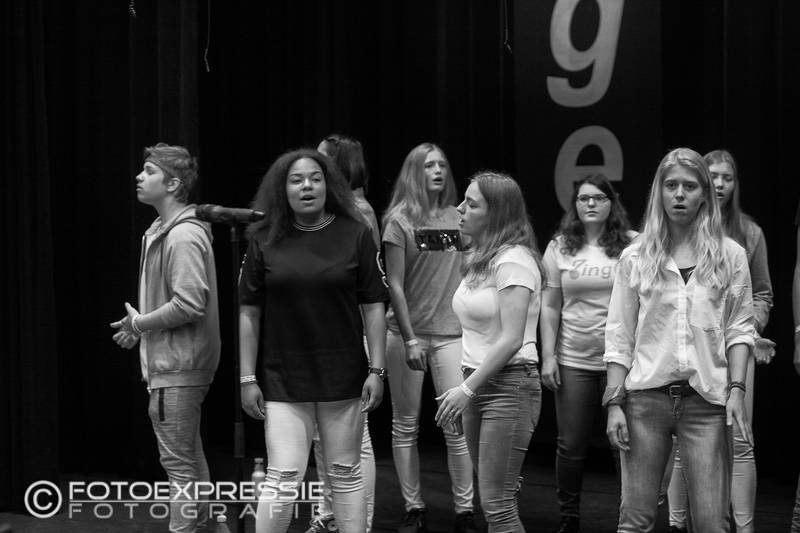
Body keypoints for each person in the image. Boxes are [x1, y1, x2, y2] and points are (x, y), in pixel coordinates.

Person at [604, 147, 755, 532]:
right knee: (635, 518)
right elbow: (619, 335)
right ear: (659, 191)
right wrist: (614, 403)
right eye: (671, 185)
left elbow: (740, 328)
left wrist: (737, 390)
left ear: (705, 194)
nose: (679, 194)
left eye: (689, 186)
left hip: (706, 401)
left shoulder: (730, 255)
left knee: (711, 522)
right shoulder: (636, 256)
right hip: (645, 400)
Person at [238, 148, 388, 533]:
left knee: (345, 472)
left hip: (343, 375)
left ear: (328, 185)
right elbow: (249, 313)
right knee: (283, 478)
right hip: (283, 376)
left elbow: (374, 306)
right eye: (297, 180)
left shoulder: (355, 233)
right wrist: (247, 378)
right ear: (282, 189)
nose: (307, 186)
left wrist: (377, 369)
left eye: (315, 178)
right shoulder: (263, 238)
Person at [111, 143, 220, 533]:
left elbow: (189, 304)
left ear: (173, 184)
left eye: (150, 171)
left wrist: (141, 324)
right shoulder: (162, 231)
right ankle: (209, 528)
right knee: (189, 458)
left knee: (179, 466)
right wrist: (137, 326)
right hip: (176, 364)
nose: (139, 177)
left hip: (178, 366)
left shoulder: (182, 235)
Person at [666, 149, 774, 533]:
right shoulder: (679, 231)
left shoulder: (749, 233)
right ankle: (677, 523)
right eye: (713, 176)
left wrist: (749, 329)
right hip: (690, 347)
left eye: (728, 177)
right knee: (683, 439)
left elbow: (761, 294)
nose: (721, 184)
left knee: (740, 440)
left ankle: (743, 528)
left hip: (737, 349)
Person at [436, 171, 545, 532]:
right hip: (479, 383)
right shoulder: (480, 256)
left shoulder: (513, 260)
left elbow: (512, 339)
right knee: (495, 501)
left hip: (509, 385)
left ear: (495, 213)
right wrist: (468, 387)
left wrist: (466, 391)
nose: (459, 209)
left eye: (471, 204)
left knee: (497, 507)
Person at [381, 143, 478, 533]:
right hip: (407, 334)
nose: (438, 171)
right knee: (405, 424)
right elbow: (395, 284)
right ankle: (414, 507)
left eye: (442, 165)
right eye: (428, 165)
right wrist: (409, 339)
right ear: (414, 172)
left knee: (456, 424)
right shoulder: (399, 220)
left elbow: (470, 270)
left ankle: (465, 510)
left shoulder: (458, 217)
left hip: (451, 334)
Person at [539, 174, 636, 533]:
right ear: (575, 205)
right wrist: (548, 355)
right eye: (583, 198)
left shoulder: (632, 244)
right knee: (571, 445)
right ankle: (569, 517)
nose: (591, 204)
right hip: (573, 360)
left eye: (598, 197)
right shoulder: (560, 247)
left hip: (622, 363)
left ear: (612, 202)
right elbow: (550, 305)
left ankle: (629, 518)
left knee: (623, 444)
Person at [307, 134, 379, 533]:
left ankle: (358, 522)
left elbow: (366, 285)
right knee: (323, 435)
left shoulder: (358, 213)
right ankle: (329, 514)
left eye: (320, 160)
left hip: (351, 333)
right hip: (326, 334)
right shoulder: (334, 210)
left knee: (355, 437)